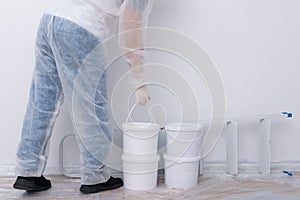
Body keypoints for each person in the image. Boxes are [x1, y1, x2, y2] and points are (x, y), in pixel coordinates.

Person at [13, 0, 153, 194]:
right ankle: (94, 176)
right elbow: (132, 26)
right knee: (90, 104)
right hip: (80, 29)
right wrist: (139, 82)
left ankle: (28, 170)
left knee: (42, 100)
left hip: (50, 21)